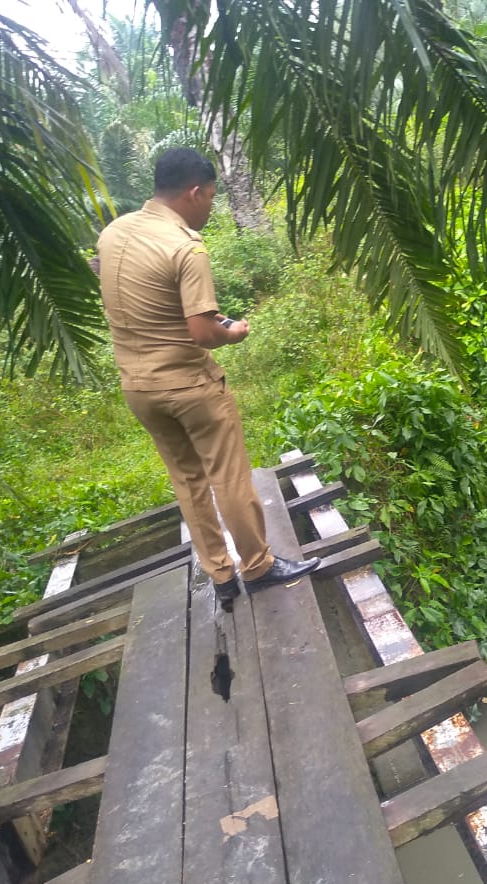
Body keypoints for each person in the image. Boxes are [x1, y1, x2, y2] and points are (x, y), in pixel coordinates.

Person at [96, 147, 319, 606]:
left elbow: (105, 273)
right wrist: (233, 332)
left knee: (188, 481)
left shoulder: (113, 233)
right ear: (194, 192)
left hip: (138, 390)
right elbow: (202, 333)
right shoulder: (186, 248)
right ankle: (257, 566)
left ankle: (220, 576)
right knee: (229, 478)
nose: (212, 208)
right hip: (189, 388)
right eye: (212, 197)